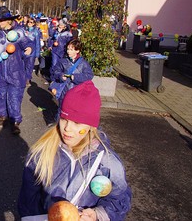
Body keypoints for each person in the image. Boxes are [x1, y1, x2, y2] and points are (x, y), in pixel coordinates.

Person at [18, 81, 132, 220]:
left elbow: (119, 198)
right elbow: (28, 200)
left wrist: (98, 214)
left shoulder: (107, 162)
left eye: (77, 123)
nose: (67, 128)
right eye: (64, 119)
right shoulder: (41, 152)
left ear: (91, 125)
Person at [0, 6, 33, 134]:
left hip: (15, 71)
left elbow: (28, 43)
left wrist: (29, 49)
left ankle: (15, 121)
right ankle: (2, 116)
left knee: (14, 97)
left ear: (9, 20)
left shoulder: (19, 32)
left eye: (2, 20)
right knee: (0, 95)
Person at [49, 38, 94, 124]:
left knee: (74, 110)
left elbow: (89, 75)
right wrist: (61, 76)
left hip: (77, 91)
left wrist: (75, 77)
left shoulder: (83, 63)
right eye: (68, 49)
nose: (68, 51)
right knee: (62, 109)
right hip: (64, 89)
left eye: (71, 49)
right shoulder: (63, 61)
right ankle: (58, 126)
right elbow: (55, 71)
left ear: (77, 51)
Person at [24, 16, 42, 85]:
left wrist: (37, 54)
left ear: (34, 23)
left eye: (31, 22)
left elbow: (37, 43)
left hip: (32, 52)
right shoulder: (24, 29)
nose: (29, 23)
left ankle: (28, 79)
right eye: (28, 22)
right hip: (24, 51)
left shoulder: (36, 32)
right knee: (24, 66)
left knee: (30, 66)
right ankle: (24, 78)